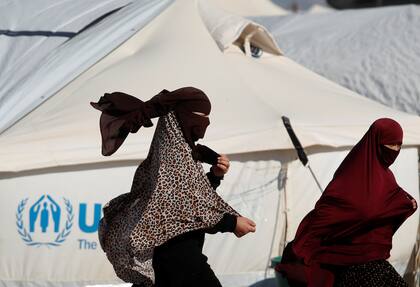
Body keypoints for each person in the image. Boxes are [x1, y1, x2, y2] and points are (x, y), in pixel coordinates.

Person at [91, 87, 256, 287]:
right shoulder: (173, 157)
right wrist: (231, 223)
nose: (205, 123)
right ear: (182, 117)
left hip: (169, 256)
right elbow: (186, 206)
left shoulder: (179, 151)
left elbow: (191, 195)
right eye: (200, 116)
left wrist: (214, 177)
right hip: (177, 256)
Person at [276, 118, 417, 287]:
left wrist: (405, 203)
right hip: (349, 266)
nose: (395, 150)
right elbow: (328, 215)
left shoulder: (386, 175)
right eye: (390, 145)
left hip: (373, 259)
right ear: (375, 142)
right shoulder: (349, 176)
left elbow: (390, 199)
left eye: (398, 145)